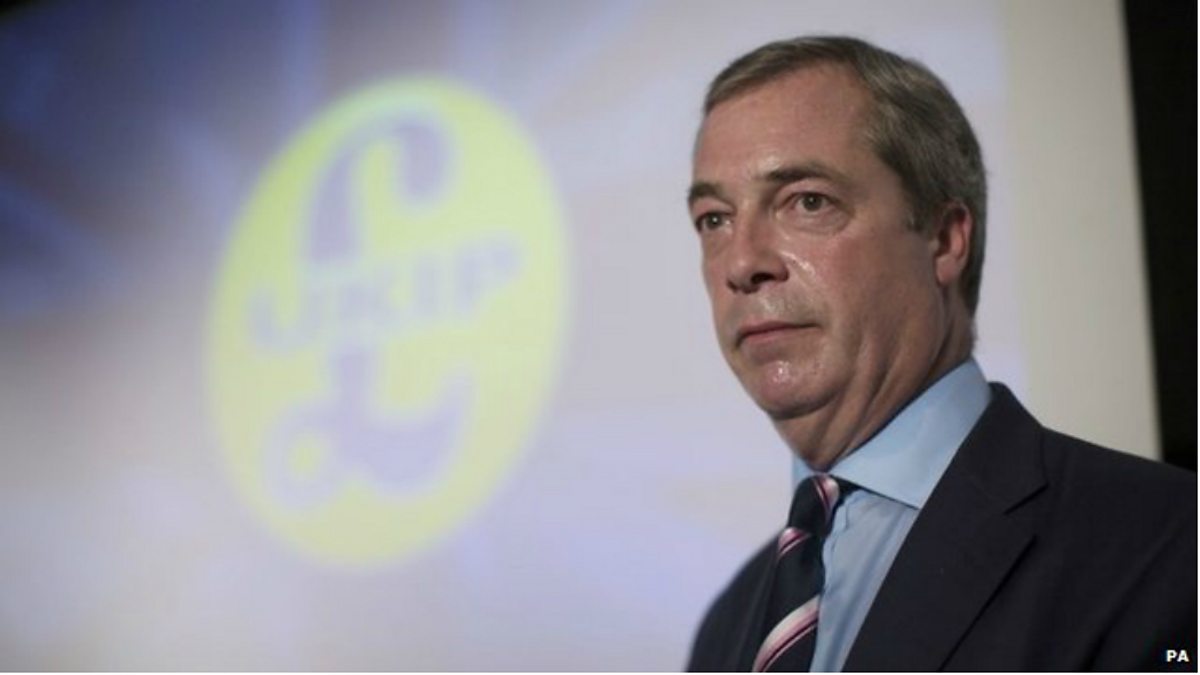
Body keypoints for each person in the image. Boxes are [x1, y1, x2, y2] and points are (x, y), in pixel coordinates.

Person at [684, 36, 1196, 672]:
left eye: (807, 202)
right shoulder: (730, 625)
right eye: (714, 219)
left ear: (946, 239)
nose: (740, 263)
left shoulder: (1169, 543)